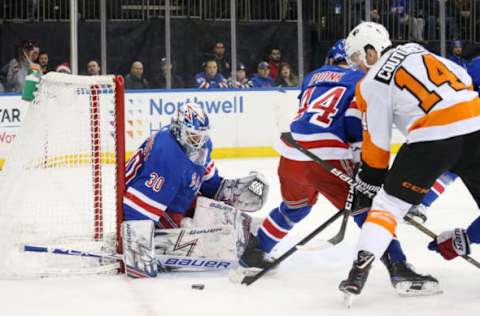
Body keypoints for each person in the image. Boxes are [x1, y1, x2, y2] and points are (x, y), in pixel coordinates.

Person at [234, 39, 440, 296]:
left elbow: (308, 113)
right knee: (368, 209)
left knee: (295, 208)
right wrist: (361, 172)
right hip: (327, 153)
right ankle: (398, 267)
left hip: (293, 151)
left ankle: (256, 251)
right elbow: (354, 125)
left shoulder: (313, 76)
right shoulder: (360, 81)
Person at [338, 21, 480, 304]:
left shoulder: (370, 83)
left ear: (370, 50)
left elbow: (377, 149)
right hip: (476, 123)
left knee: (388, 206)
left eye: (357, 58)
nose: (358, 66)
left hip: (432, 136)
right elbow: (463, 79)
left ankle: (358, 272)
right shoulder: (422, 51)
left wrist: (368, 183)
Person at [122, 103, 269, 275]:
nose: (198, 141)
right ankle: (164, 241)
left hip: (174, 197)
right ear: (178, 129)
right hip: (151, 207)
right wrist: (138, 247)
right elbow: (137, 207)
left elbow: (207, 182)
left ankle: (248, 241)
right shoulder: (167, 154)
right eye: (193, 135)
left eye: (201, 135)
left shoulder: (199, 146)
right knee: (195, 229)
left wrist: (227, 192)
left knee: (209, 214)